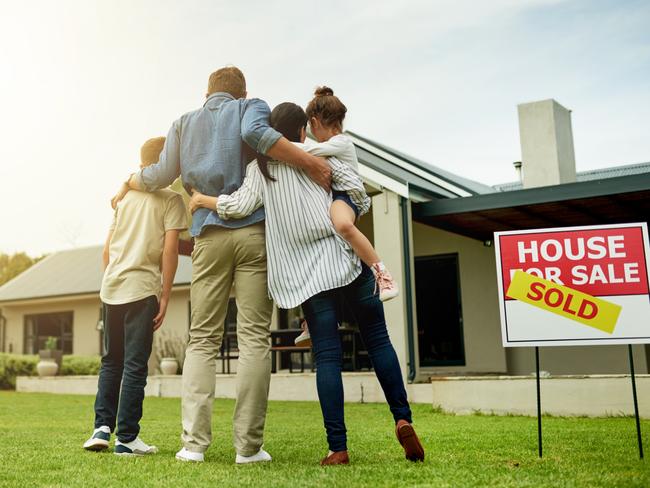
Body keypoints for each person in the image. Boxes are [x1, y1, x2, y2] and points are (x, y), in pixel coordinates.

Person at [110, 67, 332, 464]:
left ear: (206, 93)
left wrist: (131, 179)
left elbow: (160, 174)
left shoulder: (183, 122)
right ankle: (248, 448)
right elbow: (257, 136)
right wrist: (310, 163)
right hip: (253, 236)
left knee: (203, 340)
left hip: (208, 237)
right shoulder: (251, 106)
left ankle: (193, 445)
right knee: (253, 339)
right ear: (242, 92)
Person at [190, 102, 425, 466]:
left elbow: (237, 206)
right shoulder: (317, 155)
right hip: (345, 262)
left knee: (327, 357)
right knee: (378, 340)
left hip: (308, 279)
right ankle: (402, 417)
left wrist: (202, 199)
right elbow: (355, 192)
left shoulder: (260, 169)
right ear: (302, 131)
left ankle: (338, 448)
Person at [83, 136, 187, 456]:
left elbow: (106, 250)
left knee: (111, 361)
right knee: (134, 365)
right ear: (167, 164)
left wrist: (112, 278)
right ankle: (126, 438)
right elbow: (170, 249)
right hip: (141, 289)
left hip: (112, 287)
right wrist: (166, 294)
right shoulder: (171, 200)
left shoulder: (123, 198)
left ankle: (101, 428)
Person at [293, 86, 399, 347]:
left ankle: (382, 274)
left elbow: (306, 153)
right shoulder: (332, 144)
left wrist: (275, 143)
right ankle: (311, 318)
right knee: (325, 257)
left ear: (315, 122)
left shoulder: (341, 142)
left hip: (347, 198)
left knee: (341, 224)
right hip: (335, 199)